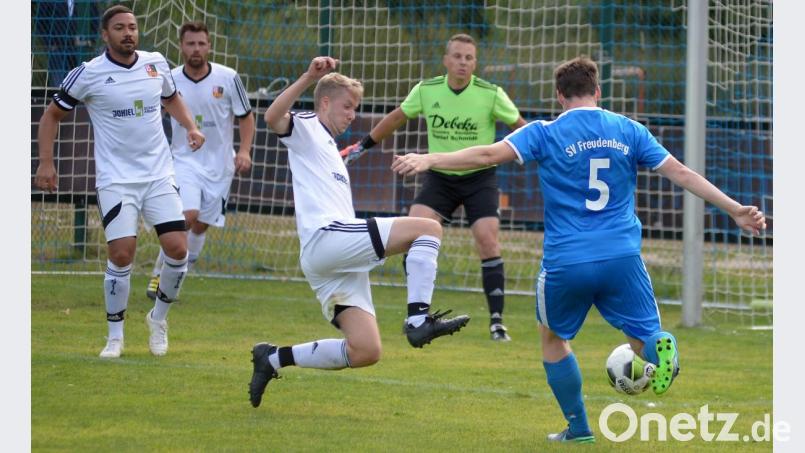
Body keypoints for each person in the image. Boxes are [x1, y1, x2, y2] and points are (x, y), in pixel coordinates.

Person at [391, 56, 766, 443]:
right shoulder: (628, 129)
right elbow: (683, 174)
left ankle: (580, 429)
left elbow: (487, 154)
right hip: (622, 256)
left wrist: (430, 158)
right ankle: (658, 348)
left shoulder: (545, 132)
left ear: (559, 96)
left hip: (567, 259)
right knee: (642, 336)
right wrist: (736, 210)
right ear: (598, 91)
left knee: (553, 337)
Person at [248, 56, 471, 408]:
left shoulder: (332, 151)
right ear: (324, 103)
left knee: (366, 350)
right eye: (347, 106)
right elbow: (272, 118)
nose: (352, 115)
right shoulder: (306, 126)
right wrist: (308, 76)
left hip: (334, 257)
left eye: (356, 108)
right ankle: (417, 320)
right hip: (327, 238)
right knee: (428, 228)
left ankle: (272, 358)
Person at [34, 5, 206, 358]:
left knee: (178, 249)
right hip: (116, 180)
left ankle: (158, 319)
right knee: (122, 253)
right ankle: (115, 337)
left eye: (132, 27)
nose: (128, 33)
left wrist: (190, 127)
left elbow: (172, 99)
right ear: (105, 34)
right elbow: (51, 115)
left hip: (159, 174)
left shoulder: (155, 62)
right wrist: (46, 163)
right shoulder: (88, 73)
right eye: (119, 28)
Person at [342, 33, 527, 341]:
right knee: (413, 232)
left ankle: (497, 322)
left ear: (475, 63)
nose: (462, 63)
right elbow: (397, 117)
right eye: (457, 56)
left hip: (480, 178)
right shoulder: (427, 90)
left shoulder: (491, 94)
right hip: (440, 178)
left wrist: (546, 149)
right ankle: (417, 314)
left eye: (469, 58)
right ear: (446, 60)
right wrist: (363, 145)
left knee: (487, 241)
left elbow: (520, 126)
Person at [146, 21, 256, 299]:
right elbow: (150, 116)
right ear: (181, 47)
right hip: (183, 160)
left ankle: (175, 278)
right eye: (190, 43)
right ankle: (159, 274)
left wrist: (244, 151)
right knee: (187, 215)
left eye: (201, 43)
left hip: (220, 165)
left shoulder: (229, 77)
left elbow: (245, 116)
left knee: (201, 224)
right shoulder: (168, 79)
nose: (196, 49)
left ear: (209, 46)